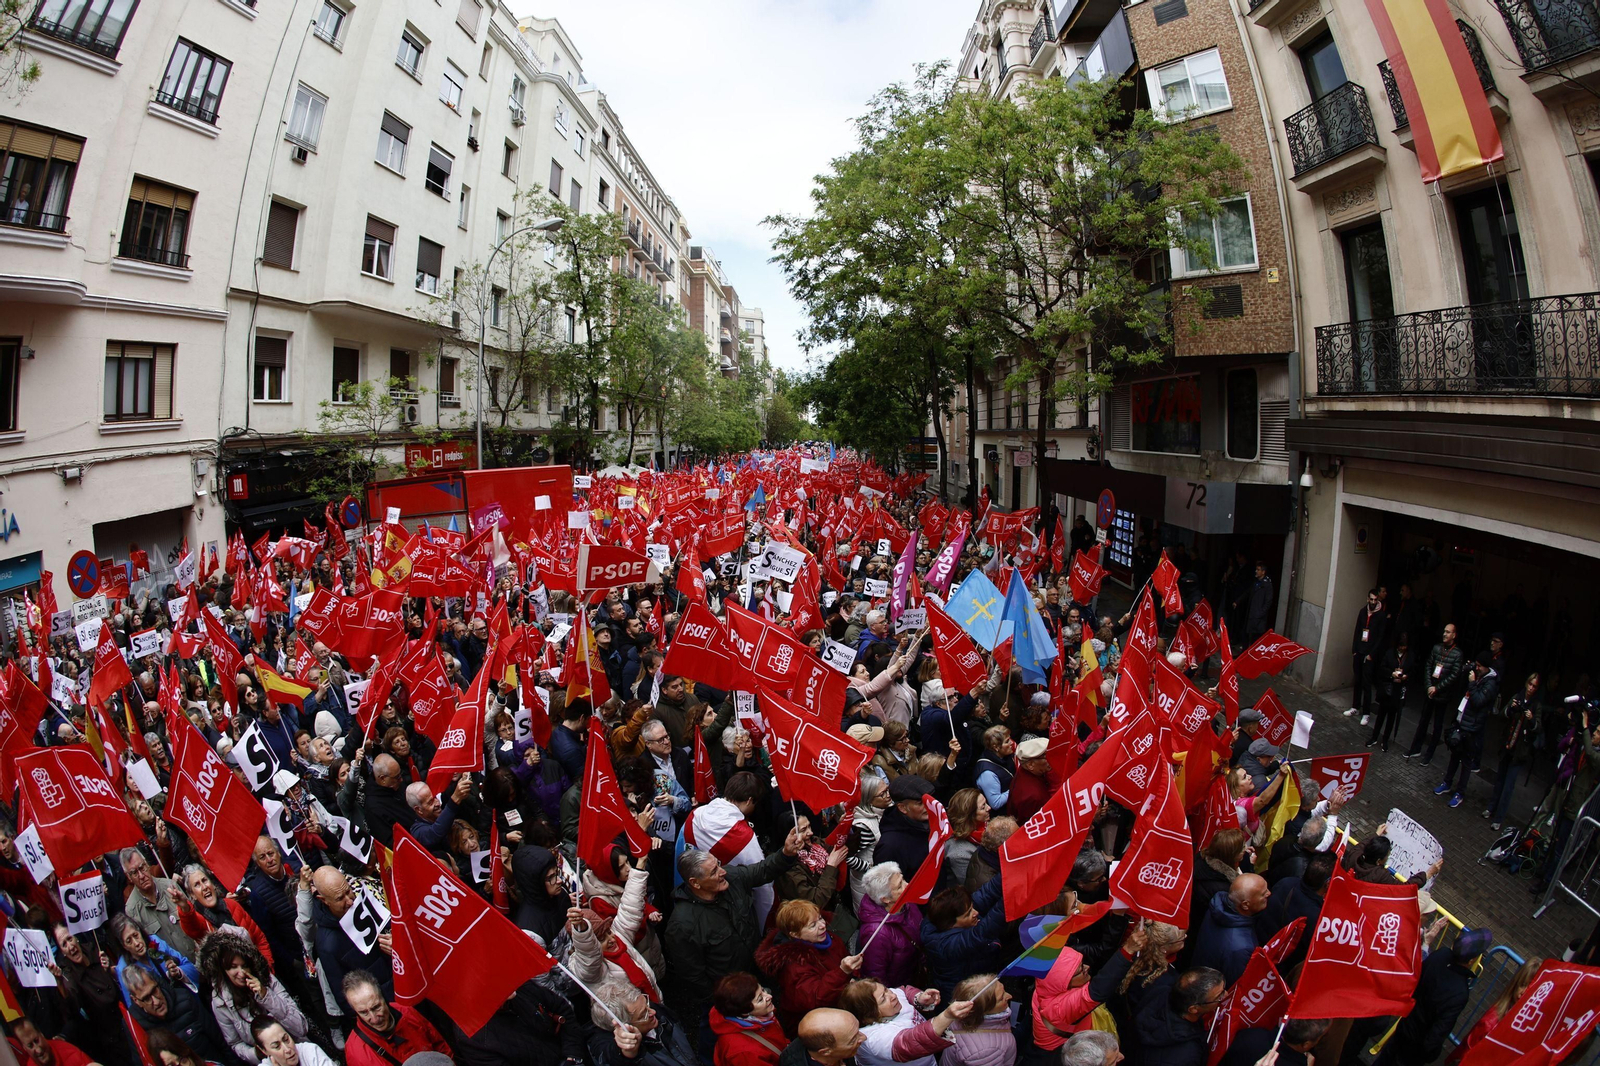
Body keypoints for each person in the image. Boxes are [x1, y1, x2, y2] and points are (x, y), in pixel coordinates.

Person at [663, 822, 806, 1034]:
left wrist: (786, 853)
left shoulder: (731, 877)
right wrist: (722, 1001)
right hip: (728, 996)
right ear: (695, 883)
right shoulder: (682, 925)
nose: (723, 872)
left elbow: (762, 871)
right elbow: (693, 977)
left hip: (754, 973)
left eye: (718, 864)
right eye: (714, 871)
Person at [1372, 928, 1493, 1066]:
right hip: (1415, 1048)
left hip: (1405, 1026)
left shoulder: (1441, 955)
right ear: (1471, 960)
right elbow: (1439, 1031)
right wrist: (1428, 1054)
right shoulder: (1460, 992)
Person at [196, 931, 309, 1065]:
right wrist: (255, 1054)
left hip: (298, 1051)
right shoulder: (220, 1003)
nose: (241, 973)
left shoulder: (267, 980)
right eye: (233, 967)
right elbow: (235, 1043)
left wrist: (266, 996)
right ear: (223, 971)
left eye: (244, 966)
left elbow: (301, 1027)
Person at [754, 900, 863, 1034]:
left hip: (839, 1006)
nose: (822, 925)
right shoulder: (793, 964)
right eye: (813, 925)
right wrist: (842, 973)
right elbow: (816, 998)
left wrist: (852, 975)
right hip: (817, 1025)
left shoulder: (827, 939)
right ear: (795, 934)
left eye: (820, 918)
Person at [308, 867, 392, 1016]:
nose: (349, 901)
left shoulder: (362, 899)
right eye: (340, 898)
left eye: (348, 891)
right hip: (383, 1008)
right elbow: (344, 996)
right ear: (324, 900)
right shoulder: (328, 944)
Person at [123, 965, 241, 1066]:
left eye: (154, 991)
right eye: (147, 998)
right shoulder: (136, 1027)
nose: (156, 1001)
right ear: (136, 1001)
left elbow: (221, 1041)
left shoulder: (185, 1000)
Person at [837, 979, 974, 1066]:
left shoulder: (891, 997)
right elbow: (909, 1043)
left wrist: (919, 998)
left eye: (886, 989)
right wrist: (947, 1016)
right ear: (868, 1015)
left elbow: (903, 991)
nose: (892, 995)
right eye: (883, 999)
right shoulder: (873, 1039)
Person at [341, 970, 452, 1066]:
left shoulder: (407, 1012)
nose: (374, 1019)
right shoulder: (356, 1052)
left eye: (376, 1007)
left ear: (384, 998)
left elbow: (440, 1046)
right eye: (363, 1012)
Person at [1435, 655, 1499, 808]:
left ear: (1486, 667)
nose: (1476, 668)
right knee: (1454, 755)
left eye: (1479, 666)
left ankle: (1460, 793)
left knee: (1466, 762)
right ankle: (1447, 783)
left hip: (1472, 728)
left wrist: (1472, 683)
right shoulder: (1478, 677)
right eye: (1476, 665)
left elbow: (1478, 701)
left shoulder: (1490, 684)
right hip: (1462, 722)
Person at [1127, 968, 1224, 1066]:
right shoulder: (1188, 1055)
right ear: (1194, 1009)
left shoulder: (1158, 992)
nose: (1226, 996)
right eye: (1218, 997)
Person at [589, 981, 700, 1066]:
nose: (653, 1012)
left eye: (647, 1003)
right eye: (643, 1015)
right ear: (624, 1027)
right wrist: (626, 1053)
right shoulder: (604, 1046)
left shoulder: (649, 1009)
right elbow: (611, 1058)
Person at [119, 848, 200, 961]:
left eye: (142, 868)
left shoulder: (171, 886)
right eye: (134, 873)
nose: (141, 876)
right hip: (173, 968)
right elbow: (148, 951)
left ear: (147, 864)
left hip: (198, 957)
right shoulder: (132, 910)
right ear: (129, 877)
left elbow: (196, 919)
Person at [1192, 875, 1270, 985]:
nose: (1269, 893)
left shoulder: (1217, 908)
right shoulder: (1241, 948)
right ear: (1245, 905)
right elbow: (1237, 985)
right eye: (1263, 894)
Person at [1405, 622, 1465, 765]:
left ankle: (1429, 754)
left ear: (1454, 635)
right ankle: (1415, 748)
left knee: (1437, 725)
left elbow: (1454, 675)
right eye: (1444, 631)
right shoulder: (1436, 648)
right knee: (1423, 721)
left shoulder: (1457, 654)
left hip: (1442, 695)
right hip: (1430, 692)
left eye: (1448, 632)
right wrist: (1429, 686)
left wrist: (1437, 688)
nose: (1445, 634)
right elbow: (1428, 666)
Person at [855, 863, 921, 987]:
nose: (907, 885)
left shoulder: (906, 902)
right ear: (885, 899)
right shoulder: (876, 934)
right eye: (899, 886)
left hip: (914, 974)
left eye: (903, 879)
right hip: (899, 989)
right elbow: (876, 978)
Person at [1488, 673, 1540, 829]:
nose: (1531, 688)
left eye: (1534, 686)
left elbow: (1538, 728)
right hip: (1508, 745)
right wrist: (1512, 708)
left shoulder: (1536, 705)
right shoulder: (1517, 697)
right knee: (1499, 779)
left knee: (1509, 785)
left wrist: (1531, 719)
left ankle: (1499, 818)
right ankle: (1491, 807)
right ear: (1526, 683)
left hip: (1520, 751)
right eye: (1530, 684)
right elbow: (1503, 714)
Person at [708, 974, 787, 1066]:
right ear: (745, 1012)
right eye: (760, 999)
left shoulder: (760, 1016)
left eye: (763, 990)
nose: (769, 996)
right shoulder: (743, 1053)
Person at [941, 975, 1014, 1066]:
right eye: (1001, 998)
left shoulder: (959, 1016)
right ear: (984, 1010)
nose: (1010, 996)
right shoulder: (984, 1052)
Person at [1346, 589, 1389, 727]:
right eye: (1371, 599)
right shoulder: (1362, 612)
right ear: (1368, 599)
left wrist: (1372, 654)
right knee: (1357, 680)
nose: (1373, 602)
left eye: (1375, 600)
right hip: (1359, 650)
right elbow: (1357, 630)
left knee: (1367, 683)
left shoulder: (1381, 616)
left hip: (1369, 653)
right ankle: (1355, 707)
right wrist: (1354, 650)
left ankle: (1366, 713)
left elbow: (1380, 637)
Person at [1368, 631, 1413, 752]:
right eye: (1401, 645)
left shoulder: (1409, 656)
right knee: (1381, 715)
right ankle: (1374, 737)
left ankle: (1385, 740)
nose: (1402, 648)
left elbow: (1412, 671)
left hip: (1398, 691)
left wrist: (1406, 676)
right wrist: (1391, 674)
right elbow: (1382, 668)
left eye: (1404, 646)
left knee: (1392, 717)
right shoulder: (1390, 653)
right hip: (1387, 689)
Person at [777, 1009, 863, 1066]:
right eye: (853, 1040)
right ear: (825, 1052)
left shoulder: (816, 1040)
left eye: (858, 1031)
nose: (864, 1037)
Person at [9, 1018, 95, 1066]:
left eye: (36, 1041)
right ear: (24, 1048)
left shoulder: (70, 1053)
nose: (38, 1050)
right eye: (30, 1045)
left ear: (41, 1034)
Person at [250, 1020, 336, 1066]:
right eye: (276, 1046)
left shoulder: (310, 1050)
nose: (287, 1049)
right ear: (264, 1050)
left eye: (286, 1039)